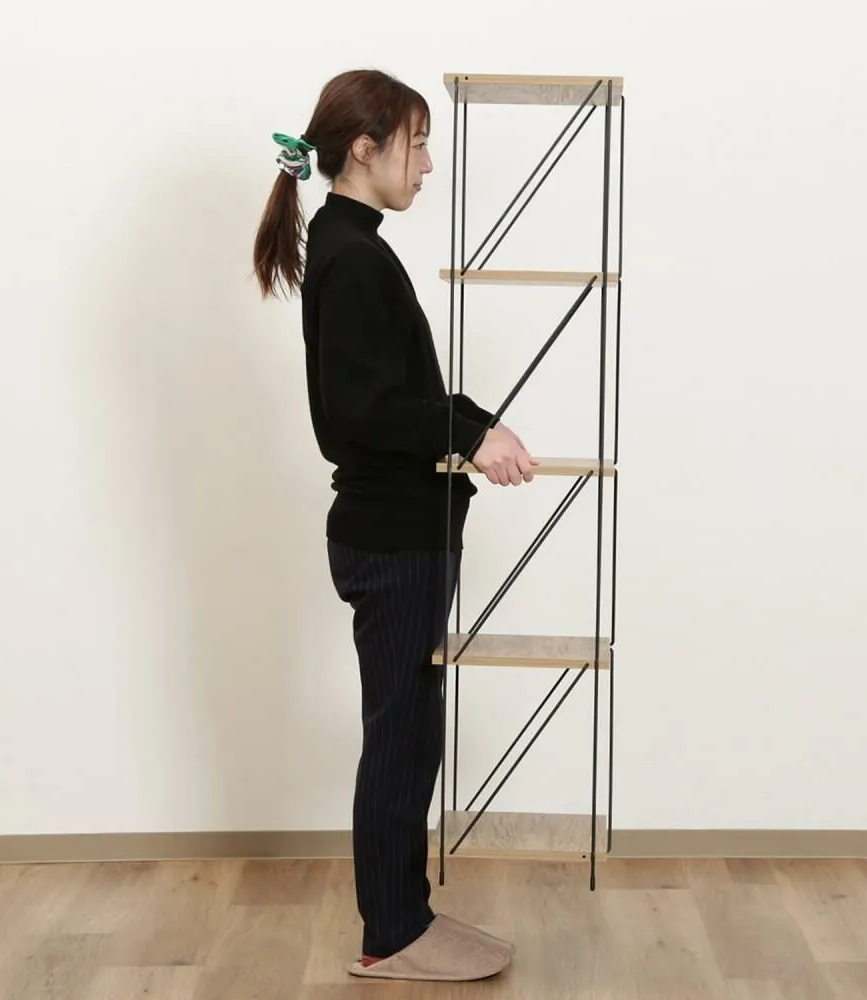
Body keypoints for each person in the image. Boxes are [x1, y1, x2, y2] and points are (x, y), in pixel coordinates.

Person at [252, 69, 537, 982]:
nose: (427, 164)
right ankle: (392, 934)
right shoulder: (353, 257)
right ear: (364, 149)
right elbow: (363, 413)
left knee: (410, 731)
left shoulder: (352, 246)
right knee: (401, 736)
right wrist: (468, 434)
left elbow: (398, 393)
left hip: (400, 530)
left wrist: (478, 425)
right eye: (416, 144)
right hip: (392, 538)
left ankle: (405, 916)